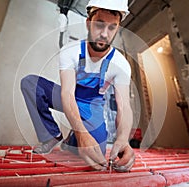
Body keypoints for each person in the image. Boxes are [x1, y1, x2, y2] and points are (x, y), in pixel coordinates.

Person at [21, 0, 135, 172]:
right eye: (99, 25)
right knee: (30, 83)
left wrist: (123, 138)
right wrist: (82, 133)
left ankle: (71, 141)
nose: (104, 33)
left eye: (112, 27)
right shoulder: (70, 51)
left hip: (92, 105)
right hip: (70, 96)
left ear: (117, 29)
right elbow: (67, 94)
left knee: (95, 152)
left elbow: (124, 106)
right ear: (88, 23)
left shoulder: (121, 64)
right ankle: (51, 135)